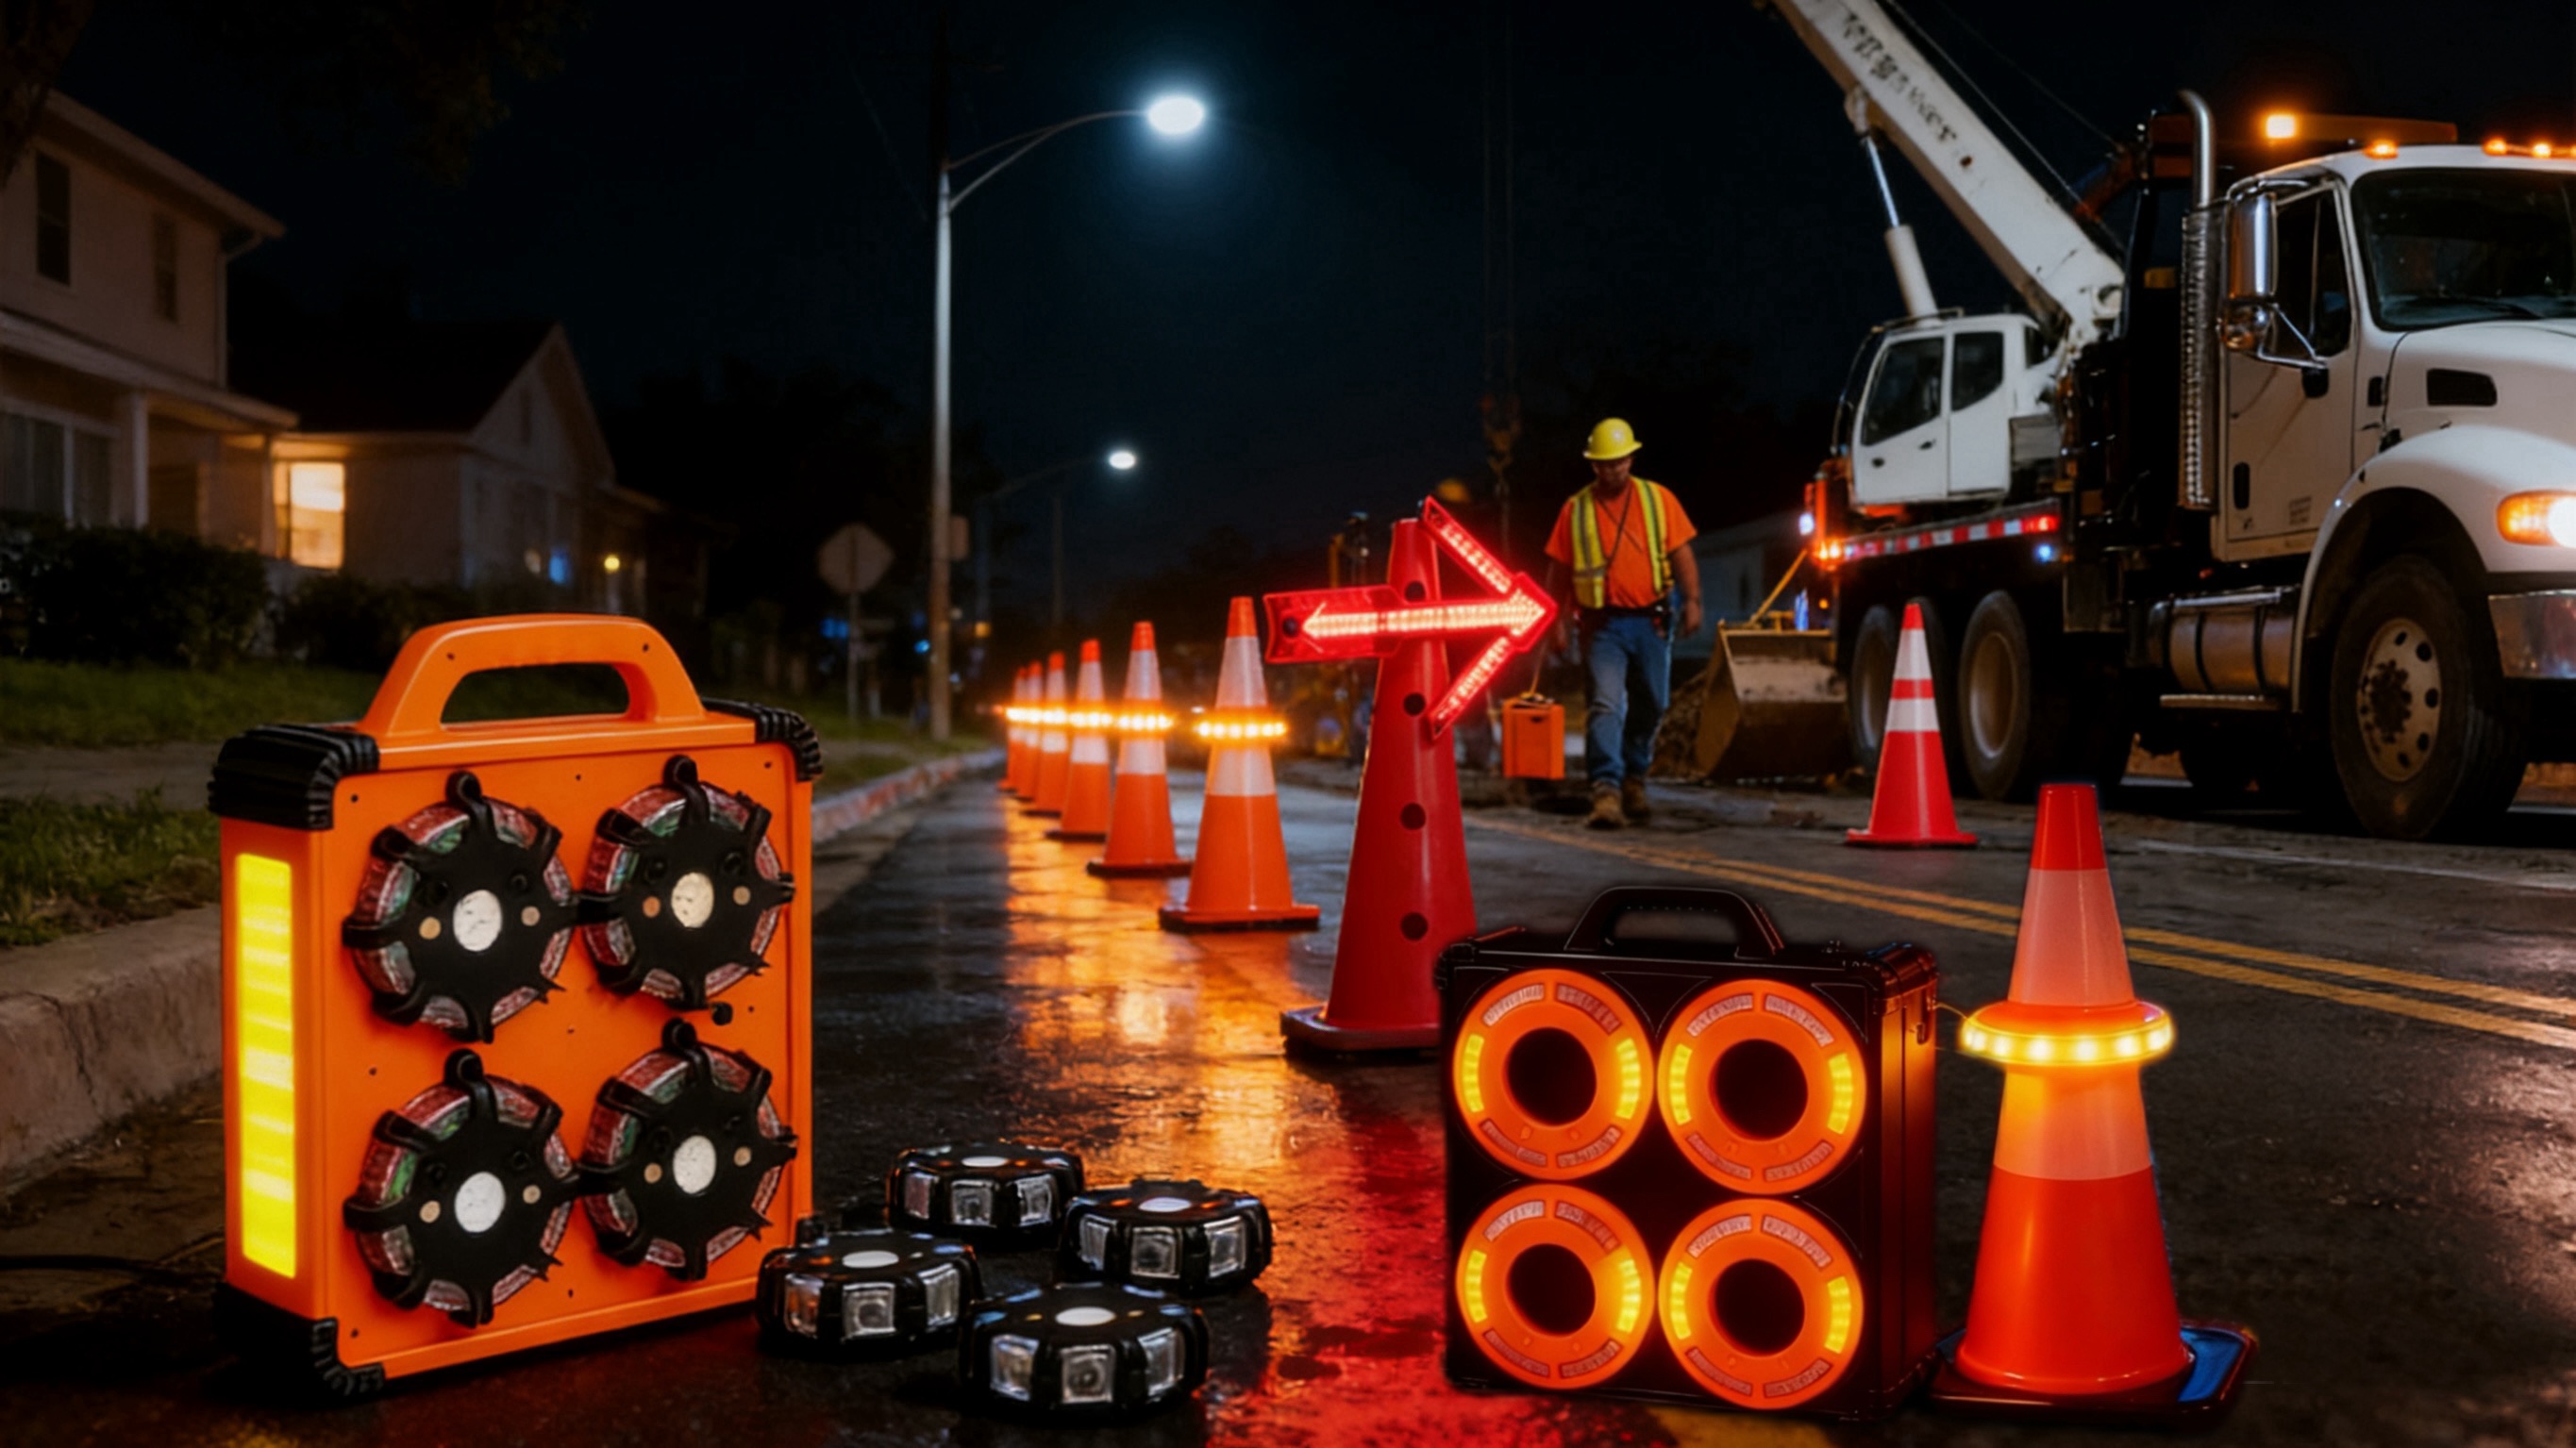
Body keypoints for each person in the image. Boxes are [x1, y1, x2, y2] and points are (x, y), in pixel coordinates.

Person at [1542, 417, 1702, 829]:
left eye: (1618, 462)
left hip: (1650, 621)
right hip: (1602, 626)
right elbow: (1558, 571)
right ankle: (1606, 789)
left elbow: (1681, 552)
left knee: (1653, 702)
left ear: (1631, 458)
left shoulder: (1657, 500)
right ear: (1593, 465)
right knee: (1606, 704)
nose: (1612, 470)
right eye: (1603, 464)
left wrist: (1693, 601)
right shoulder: (1575, 510)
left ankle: (1634, 778)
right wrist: (1556, 620)